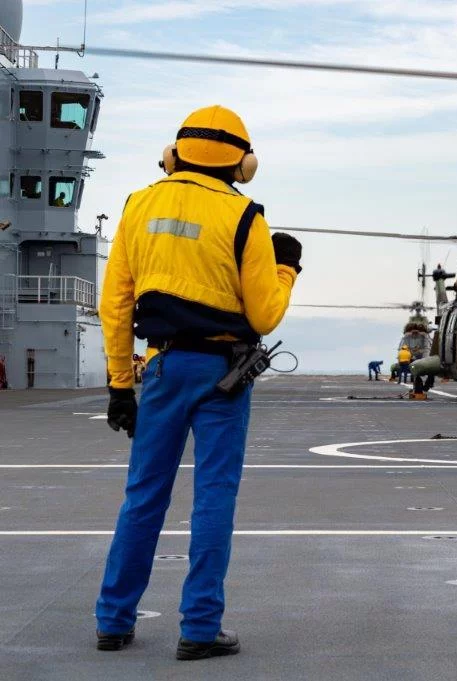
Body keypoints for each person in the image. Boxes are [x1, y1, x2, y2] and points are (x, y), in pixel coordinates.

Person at [94, 105, 301, 661]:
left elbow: (114, 303)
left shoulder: (139, 204)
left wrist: (119, 384)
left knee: (143, 496)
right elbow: (263, 317)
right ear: (244, 163)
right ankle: (200, 629)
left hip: (160, 368)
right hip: (223, 374)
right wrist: (286, 269)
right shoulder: (245, 217)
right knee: (213, 496)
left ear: (174, 153)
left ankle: (113, 621)